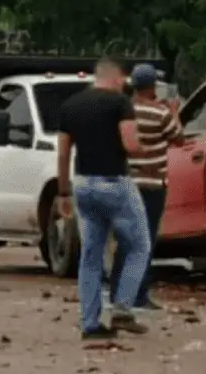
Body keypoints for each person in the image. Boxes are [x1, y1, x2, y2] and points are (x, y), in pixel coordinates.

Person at [56, 57, 151, 340]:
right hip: (114, 183)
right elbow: (130, 144)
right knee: (139, 246)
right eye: (123, 80)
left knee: (91, 256)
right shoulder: (120, 103)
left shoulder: (70, 106)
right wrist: (148, 149)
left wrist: (63, 192)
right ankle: (122, 308)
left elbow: (63, 154)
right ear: (116, 77)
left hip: (83, 184)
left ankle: (90, 324)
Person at [109, 63, 183, 311]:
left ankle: (117, 293)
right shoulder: (160, 113)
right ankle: (139, 295)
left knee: (124, 238)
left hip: (127, 183)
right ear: (152, 86)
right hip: (153, 186)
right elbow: (179, 138)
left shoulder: (123, 111)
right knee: (145, 240)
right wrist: (174, 112)